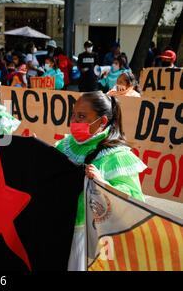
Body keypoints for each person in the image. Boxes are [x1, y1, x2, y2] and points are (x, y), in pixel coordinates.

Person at [55, 91, 147, 271]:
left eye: (81, 116)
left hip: (89, 238)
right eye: (73, 115)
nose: (74, 122)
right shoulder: (66, 145)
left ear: (102, 121)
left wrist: (102, 183)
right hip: (59, 227)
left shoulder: (118, 156)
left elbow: (135, 200)